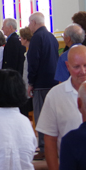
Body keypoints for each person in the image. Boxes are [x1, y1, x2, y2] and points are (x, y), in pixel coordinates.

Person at [27, 12, 59, 156]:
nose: (29, 26)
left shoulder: (36, 38)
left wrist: (31, 82)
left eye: (29, 23)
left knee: (41, 116)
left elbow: (33, 63)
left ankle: (44, 148)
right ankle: (53, 146)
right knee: (52, 116)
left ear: (34, 22)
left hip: (40, 83)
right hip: (53, 82)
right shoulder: (52, 37)